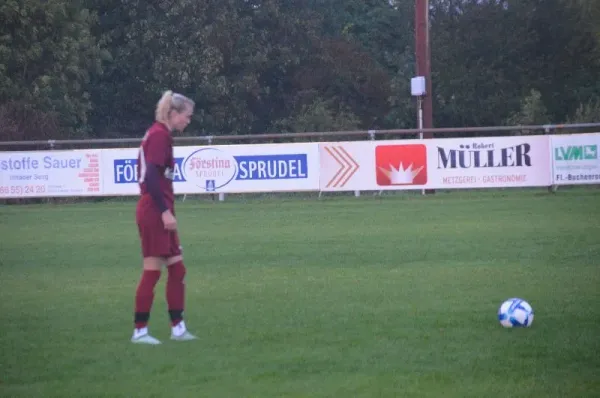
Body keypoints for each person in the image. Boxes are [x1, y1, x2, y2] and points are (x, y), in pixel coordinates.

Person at [131, 90, 197, 344]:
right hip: (154, 211)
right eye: (186, 116)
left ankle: (177, 328)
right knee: (152, 271)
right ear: (173, 113)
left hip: (159, 209)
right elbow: (150, 178)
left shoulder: (161, 135)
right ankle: (140, 331)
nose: (188, 121)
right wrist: (165, 211)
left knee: (177, 269)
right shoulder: (159, 136)